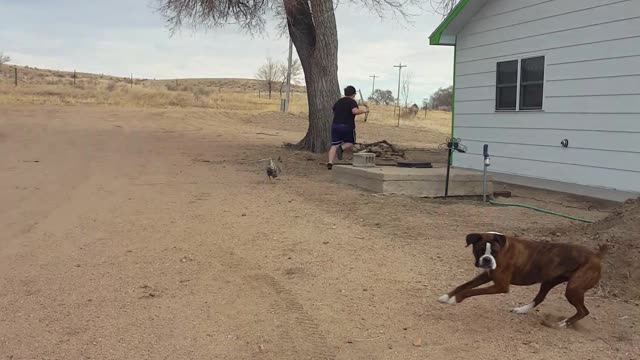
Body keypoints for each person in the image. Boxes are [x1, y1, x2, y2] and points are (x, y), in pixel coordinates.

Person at [327, 85, 368, 170]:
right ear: (353, 94)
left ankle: (330, 162)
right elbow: (355, 111)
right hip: (347, 126)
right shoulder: (352, 102)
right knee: (351, 142)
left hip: (335, 125)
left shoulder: (338, 101)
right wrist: (364, 111)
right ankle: (341, 148)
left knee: (334, 145)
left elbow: (334, 110)